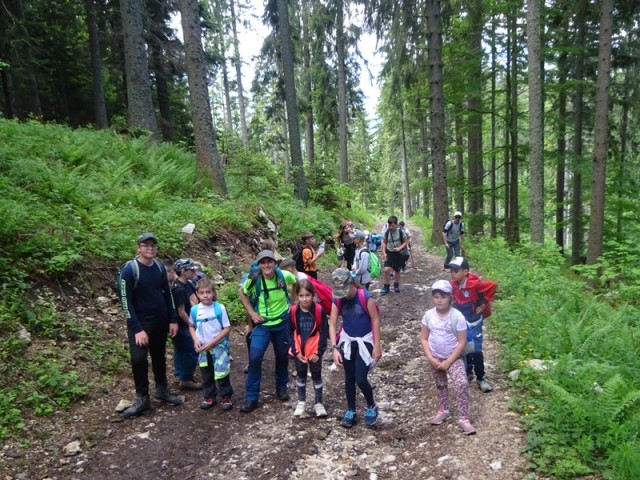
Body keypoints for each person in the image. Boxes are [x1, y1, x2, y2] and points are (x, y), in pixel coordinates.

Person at [119, 233, 182, 419]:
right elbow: (126, 301)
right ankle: (142, 398)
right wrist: (137, 329)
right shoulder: (130, 270)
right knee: (138, 360)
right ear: (138, 247)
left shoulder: (160, 267)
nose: (150, 248)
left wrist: (173, 319)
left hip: (160, 320)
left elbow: (167, 294)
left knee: (158, 356)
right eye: (146, 245)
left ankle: (162, 389)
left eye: (153, 245)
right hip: (140, 322)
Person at [238, 250, 297, 413]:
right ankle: (251, 397)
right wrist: (251, 312)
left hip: (282, 323)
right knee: (255, 357)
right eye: (263, 262)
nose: (266, 265)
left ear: (275, 263)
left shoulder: (284, 276)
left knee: (282, 356)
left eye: (269, 261)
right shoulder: (254, 279)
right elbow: (242, 292)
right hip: (262, 324)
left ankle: (281, 387)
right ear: (259, 265)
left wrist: (293, 302)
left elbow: (297, 282)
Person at [420, 279, 476, 435]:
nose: (439, 300)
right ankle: (443, 409)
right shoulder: (428, 315)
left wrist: (449, 361)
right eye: (436, 296)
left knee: (461, 383)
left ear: (450, 297)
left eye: (443, 296)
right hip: (435, 357)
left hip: (453, 358)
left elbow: (461, 341)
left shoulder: (457, 316)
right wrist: (430, 357)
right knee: (440, 384)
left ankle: (463, 418)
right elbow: (424, 338)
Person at [329, 268, 382, 429]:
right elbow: (332, 323)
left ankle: (371, 405)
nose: (343, 294)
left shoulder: (365, 297)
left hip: (364, 340)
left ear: (351, 284)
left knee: (360, 378)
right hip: (347, 339)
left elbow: (375, 320)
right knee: (349, 378)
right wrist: (334, 348)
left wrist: (377, 346)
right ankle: (351, 409)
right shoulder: (337, 299)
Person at [449, 257, 496, 393]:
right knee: (464, 347)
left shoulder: (475, 284)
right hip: (461, 322)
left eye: (456, 271)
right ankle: (468, 372)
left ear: (465, 271)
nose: (453, 273)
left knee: (476, 349)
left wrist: (484, 303)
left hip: (474, 320)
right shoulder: (453, 284)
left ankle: (481, 377)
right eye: (452, 271)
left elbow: (492, 285)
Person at [188, 278, 234, 411]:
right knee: (206, 373)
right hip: (203, 349)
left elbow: (226, 328)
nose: (205, 295)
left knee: (222, 372)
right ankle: (209, 396)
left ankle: (226, 396)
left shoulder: (219, 308)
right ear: (197, 294)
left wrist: (212, 342)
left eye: (208, 292)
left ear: (213, 293)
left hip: (219, 348)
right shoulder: (195, 310)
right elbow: (191, 326)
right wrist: (195, 340)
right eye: (202, 293)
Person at [289, 279, 329, 418]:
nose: (304, 299)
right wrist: (295, 351)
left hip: (314, 348)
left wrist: (319, 352)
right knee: (300, 374)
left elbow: (324, 332)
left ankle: (318, 403)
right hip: (300, 349)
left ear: (313, 295)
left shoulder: (319, 310)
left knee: (316, 375)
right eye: (301, 296)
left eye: (307, 295)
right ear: (297, 296)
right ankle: (301, 402)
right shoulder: (293, 311)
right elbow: (290, 331)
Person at [171, 258, 201, 391]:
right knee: (190, 350)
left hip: (180, 325)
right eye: (191, 269)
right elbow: (181, 312)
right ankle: (186, 379)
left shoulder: (185, 284)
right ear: (183, 271)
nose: (194, 272)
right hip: (182, 325)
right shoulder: (178, 289)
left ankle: (180, 373)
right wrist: (192, 325)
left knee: (181, 350)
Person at [380, 215, 409, 295]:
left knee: (397, 270)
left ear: (396, 225)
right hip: (389, 252)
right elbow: (384, 242)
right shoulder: (387, 232)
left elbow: (405, 242)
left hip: (398, 253)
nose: (390, 227)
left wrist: (399, 248)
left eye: (392, 225)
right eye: (389, 225)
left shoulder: (401, 232)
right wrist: (384, 253)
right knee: (386, 270)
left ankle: (396, 285)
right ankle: (386, 286)